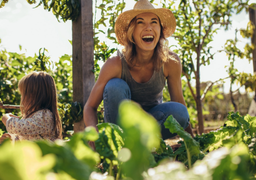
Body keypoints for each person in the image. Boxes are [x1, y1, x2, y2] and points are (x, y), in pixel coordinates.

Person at [83, 0, 194, 142]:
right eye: (141, 22)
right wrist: (94, 137)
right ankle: (119, 146)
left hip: (153, 124)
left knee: (180, 112)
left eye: (154, 22)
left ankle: (145, 146)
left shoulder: (170, 62)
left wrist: (193, 143)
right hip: (121, 128)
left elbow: (178, 101)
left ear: (160, 30)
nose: (148, 28)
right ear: (131, 32)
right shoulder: (115, 64)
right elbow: (90, 107)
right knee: (115, 86)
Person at [0, 71, 62, 143]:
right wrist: (12, 139)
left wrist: (6, 119)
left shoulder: (45, 116)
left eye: (23, 94)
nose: (21, 98)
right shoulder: (32, 117)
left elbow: (20, 128)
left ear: (32, 96)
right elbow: (25, 138)